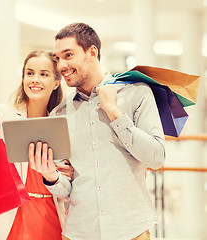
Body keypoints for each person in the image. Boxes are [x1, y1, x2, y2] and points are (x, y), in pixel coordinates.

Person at [29, 23, 166, 240]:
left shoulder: (137, 94)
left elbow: (156, 158)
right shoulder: (59, 114)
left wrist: (114, 111)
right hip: (79, 232)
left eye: (68, 55)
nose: (61, 65)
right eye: (58, 58)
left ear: (92, 52)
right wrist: (50, 175)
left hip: (130, 231)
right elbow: (67, 190)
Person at [0, 49, 74, 240]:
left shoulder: (65, 122)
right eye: (30, 73)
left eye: (44, 74)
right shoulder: (3, 114)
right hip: (10, 218)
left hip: (50, 218)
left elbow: (73, 176)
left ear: (57, 82)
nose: (35, 79)